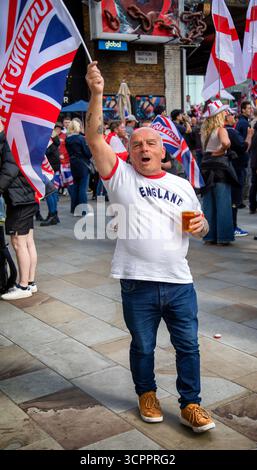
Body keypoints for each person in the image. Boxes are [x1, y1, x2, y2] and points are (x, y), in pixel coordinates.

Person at [85, 61, 215, 433]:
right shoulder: (120, 176)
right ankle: (147, 394)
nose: (143, 147)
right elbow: (95, 139)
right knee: (143, 346)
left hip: (178, 282)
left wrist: (202, 226)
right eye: (136, 143)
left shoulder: (182, 186)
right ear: (129, 151)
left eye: (151, 143)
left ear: (163, 152)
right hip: (137, 282)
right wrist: (96, 93)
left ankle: (191, 404)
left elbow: (198, 229)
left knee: (188, 347)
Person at [0, 119, 38, 300]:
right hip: (25, 196)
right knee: (28, 240)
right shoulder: (15, 137)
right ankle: (30, 282)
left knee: (18, 242)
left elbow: (9, 170)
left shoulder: (9, 139)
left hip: (20, 199)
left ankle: (23, 286)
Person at [200, 101, 235, 246]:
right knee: (223, 202)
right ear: (219, 115)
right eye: (224, 112)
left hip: (206, 166)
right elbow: (226, 143)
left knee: (208, 203)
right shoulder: (221, 130)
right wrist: (221, 151)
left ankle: (209, 236)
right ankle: (224, 237)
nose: (226, 114)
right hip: (220, 167)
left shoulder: (204, 130)